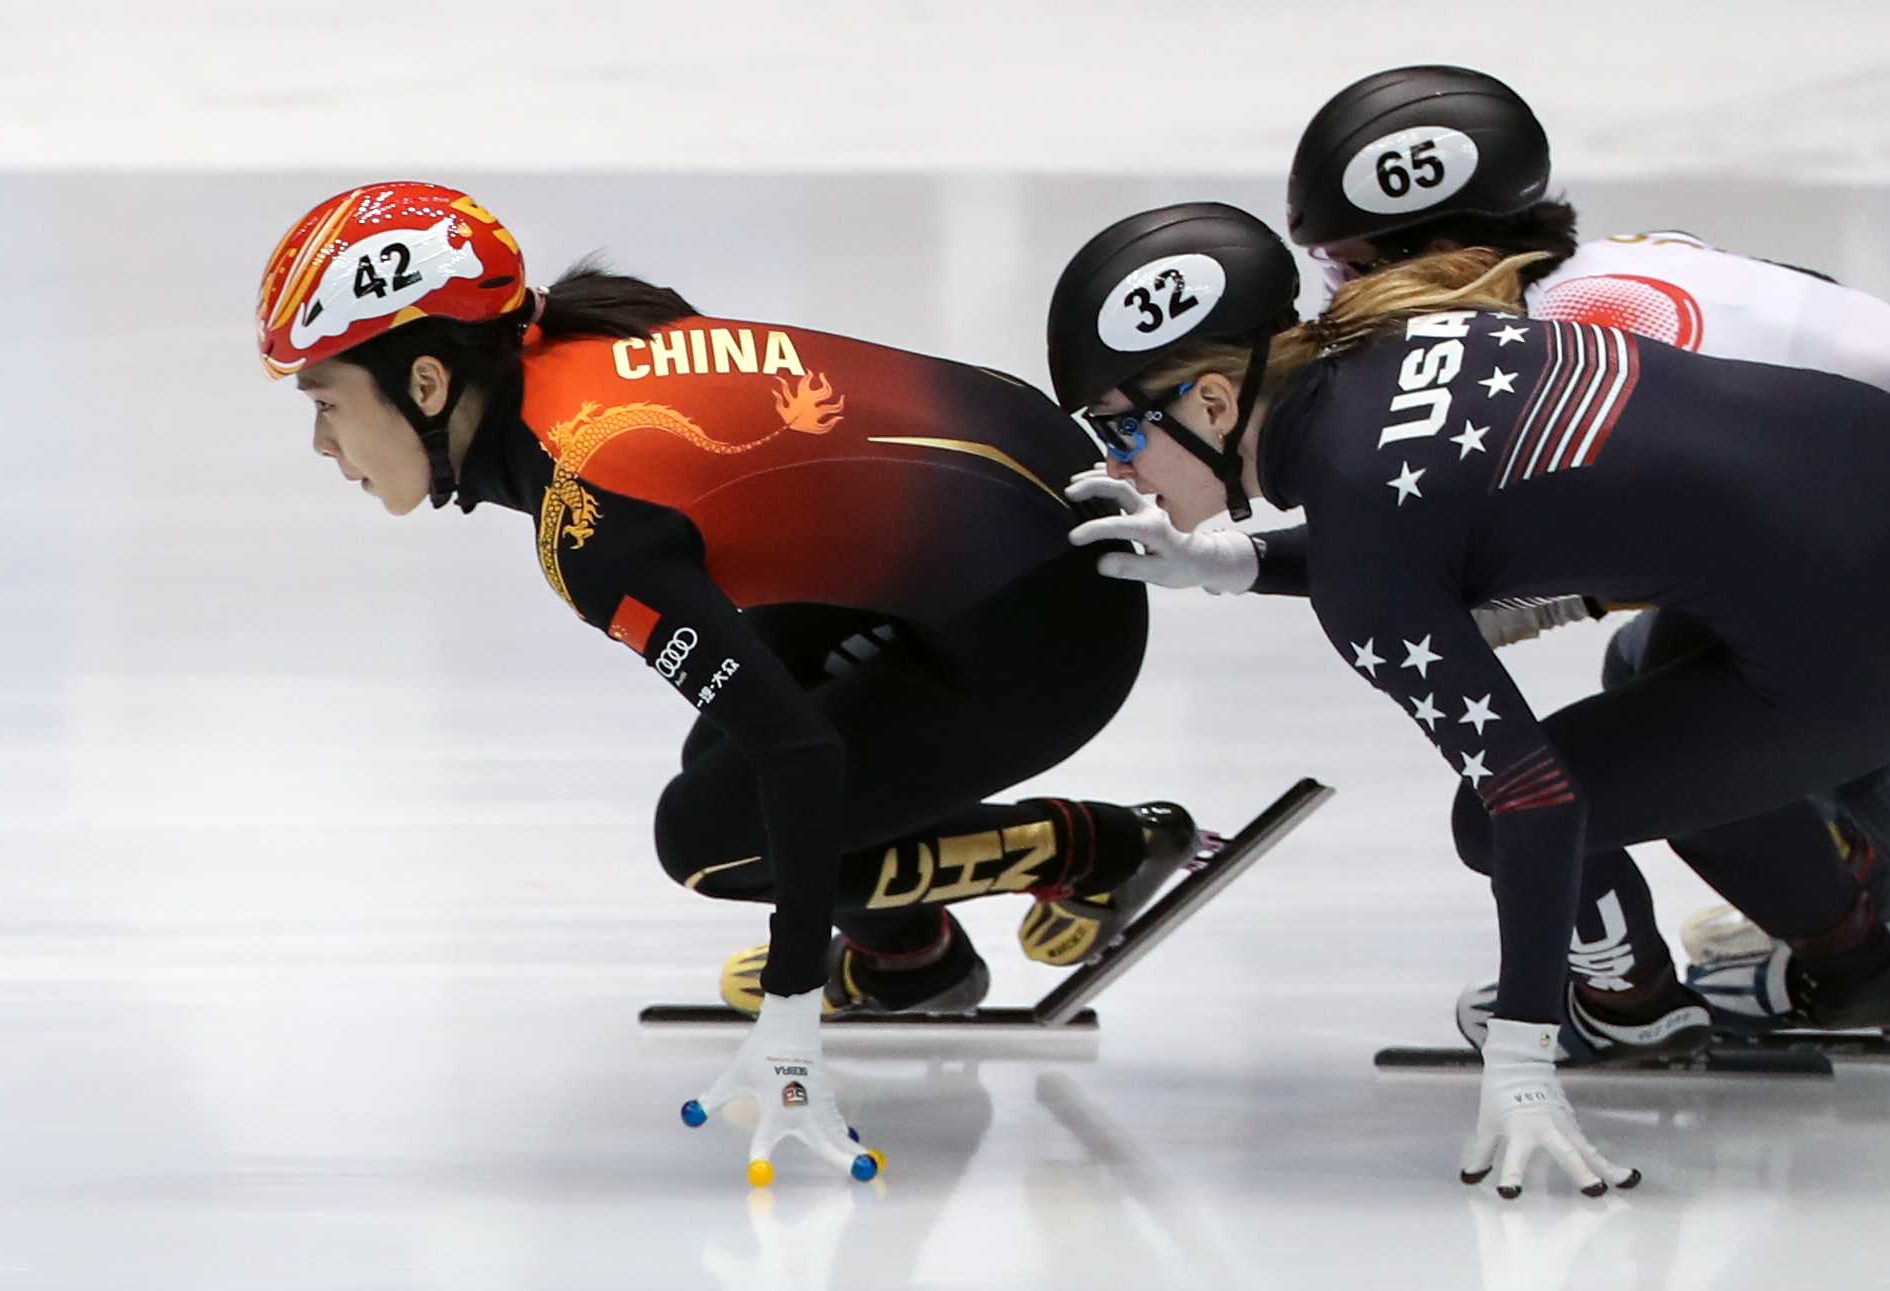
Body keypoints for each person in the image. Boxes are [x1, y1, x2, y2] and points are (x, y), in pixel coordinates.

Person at [1047, 202, 1890, 1196]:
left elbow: (1531, 800)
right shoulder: (1394, 336)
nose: (1116, 464)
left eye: (1119, 427)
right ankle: (1856, 961)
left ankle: (1628, 1004)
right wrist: (1221, 560)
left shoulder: (1367, 549)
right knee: (1655, 702)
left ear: (1210, 404)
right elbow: (1419, 516)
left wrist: (1523, 1058)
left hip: (1868, 634)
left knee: (1494, 822)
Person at [257, 181, 1190, 1185]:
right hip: (992, 530)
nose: (321, 445)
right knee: (722, 758)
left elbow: (804, 754)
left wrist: (792, 1012)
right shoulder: (574, 334)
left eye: (325, 403)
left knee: (713, 841)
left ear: (429, 384)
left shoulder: (586, 515)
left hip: (1046, 626)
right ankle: (912, 958)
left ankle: (1100, 845)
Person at [1284, 64, 1890, 972]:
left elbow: (1666, 528)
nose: (1337, 301)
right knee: (1721, 655)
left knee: (1695, 690)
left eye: (1346, 267)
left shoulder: (1561, 342)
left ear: (1422, 254)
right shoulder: (1612, 266)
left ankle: (1857, 921)